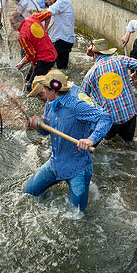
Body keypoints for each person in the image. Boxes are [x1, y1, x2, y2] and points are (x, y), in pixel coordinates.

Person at [24, 69, 111, 213]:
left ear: (54, 90)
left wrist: (91, 140)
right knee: (29, 193)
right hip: (56, 162)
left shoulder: (76, 105)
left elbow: (105, 118)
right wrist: (39, 124)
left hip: (78, 168)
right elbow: (46, 131)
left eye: (45, 89)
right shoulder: (50, 105)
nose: (43, 92)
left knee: (76, 215)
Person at [80, 38, 137, 141]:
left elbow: (82, 99)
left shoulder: (90, 74)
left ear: (95, 55)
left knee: (110, 145)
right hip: (129, 115)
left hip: (109, 120)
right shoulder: (121, 60)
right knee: (128, 145)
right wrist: (136, 75)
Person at [10, 11, 57, 90]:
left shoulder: (22, 36)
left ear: (19, 21)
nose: (11, 26)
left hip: (44, 59)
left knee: (31, 87)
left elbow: (32, 55)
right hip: (53, 53)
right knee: (28, 79)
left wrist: (22, 63)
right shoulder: (32, 17)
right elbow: (48, 14)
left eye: (13, 24)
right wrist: (45, 29)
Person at [43, 0, 75, 70]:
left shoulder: (63, 2)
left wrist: (36, 18)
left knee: (51, 65)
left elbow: (48, 13)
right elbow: (49, 15)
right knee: (55, 66)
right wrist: (45, 29)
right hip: (58, 39)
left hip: (63, 40)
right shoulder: (57, 2)